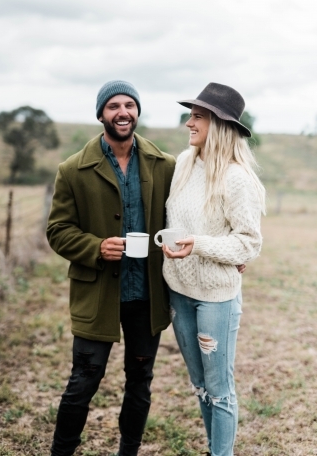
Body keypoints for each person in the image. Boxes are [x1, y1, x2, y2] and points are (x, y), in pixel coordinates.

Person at [46, 80, 176, 456]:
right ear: (101, 114)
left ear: (137, 112)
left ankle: (129, 452)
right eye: (114, 106)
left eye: (130, 105)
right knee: (83, 380)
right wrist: (96, 247)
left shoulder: (164, 164)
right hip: (96, 293)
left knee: (140, 380)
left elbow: (183, 216)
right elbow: (57, 231)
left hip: (146, 294)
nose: (123, 112)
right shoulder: (72, 169)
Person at [161, 82, 266, 456]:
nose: (189, 123)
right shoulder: (185, 164)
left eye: (197, 117)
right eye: (191, 115)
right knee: (199, 385)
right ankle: (212, 448)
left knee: (219, 389)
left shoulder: (237, 179)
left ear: (218, 125)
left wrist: (198, 244)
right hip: (179, 292)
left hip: (216, 300)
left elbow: (249, 243)